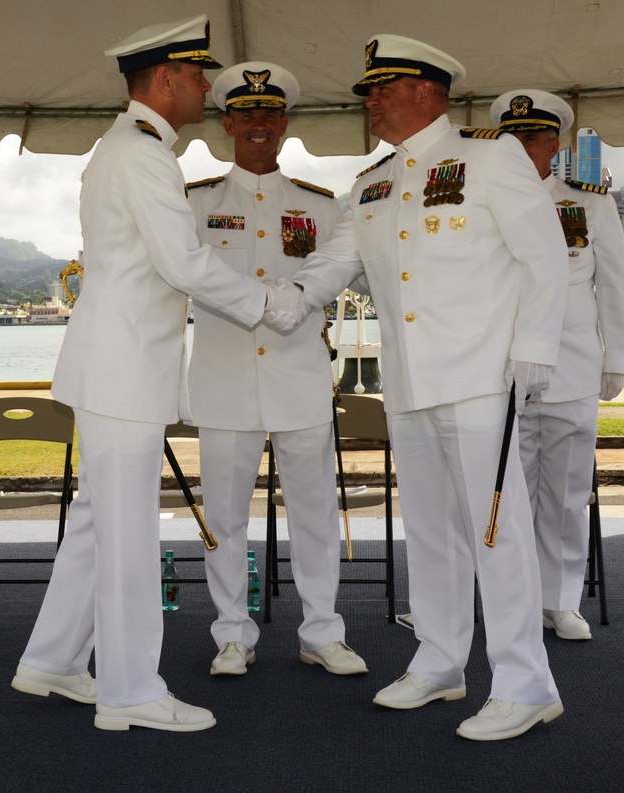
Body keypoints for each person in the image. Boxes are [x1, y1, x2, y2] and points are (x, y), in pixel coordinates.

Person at [8, 16, 306, 733]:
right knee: (128, 530)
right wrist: (270, 303)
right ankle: (130, 690)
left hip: (115, 366)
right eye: (198, 75)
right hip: (123, 371)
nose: (207, 86)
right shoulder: (141, 156)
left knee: (94, 524)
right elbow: (185, 263)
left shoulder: (127, 148)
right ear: (165, 79)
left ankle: (51, 659)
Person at [287, 34, 569, 741]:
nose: (371, 102)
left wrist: (534, 349)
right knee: (435, 535)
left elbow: (544, 256)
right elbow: (334, 263)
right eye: (370, 91)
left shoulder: (490, 156)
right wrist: (278, 297)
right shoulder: (373, 183)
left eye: (383, 88)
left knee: (496, 531)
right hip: (411, 381)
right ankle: (441, 661)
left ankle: (525, 682)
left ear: (427, 90)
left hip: (482, 378)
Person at [184, 61, 367, 677]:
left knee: (314, 513)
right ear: (227, 124)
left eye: (270, 114)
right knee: (226, 518)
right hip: (223, 380)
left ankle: (322, 633)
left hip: (300, 378)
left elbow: (349, 272)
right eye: (246, 115)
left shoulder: (321, 207)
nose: (258, 124)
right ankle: (232, 634)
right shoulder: (194, 203)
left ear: (285, 124)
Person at [494, 89, 624, 641]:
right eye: (513, 137)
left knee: (569, 493)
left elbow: (614, 287)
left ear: (556, 143)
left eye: (534, 136)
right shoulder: (484, 202)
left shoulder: (590, 203)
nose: (524, 146)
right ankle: (513, 597)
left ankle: (560, 599)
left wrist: (616, 360)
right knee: (507, 493)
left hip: (572, 367)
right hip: (502, 372)